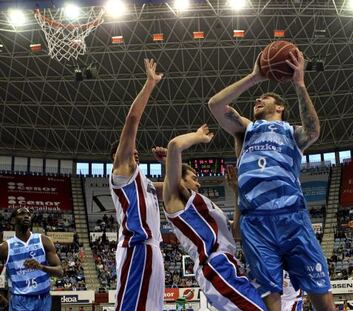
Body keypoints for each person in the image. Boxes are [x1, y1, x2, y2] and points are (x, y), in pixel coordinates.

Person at [208, 48, 334, 311]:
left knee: (322, 297)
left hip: (292, 218)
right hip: (257, 224)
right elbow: (215, 105)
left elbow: (313, 130)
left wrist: (299, 83)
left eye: (264, 97)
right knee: (270, 302)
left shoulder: (291, 132)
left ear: (279, 107)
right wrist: (255, 77)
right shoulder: (245, 130)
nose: (257, 98)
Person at [162, 124, 268, 311]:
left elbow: (235, 232)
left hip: (229, 262)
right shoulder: (178, 201)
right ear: (180, 179)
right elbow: (174, 146)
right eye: (194, 178)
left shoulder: (208, 207)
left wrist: (236, 191)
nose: (199, 183)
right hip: (215, 264)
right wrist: (198, 136)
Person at [109, 59, 164, 311]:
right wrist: (150, 84)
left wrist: (168, 162)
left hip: (154, 249)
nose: (135, 154)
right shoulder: (122, 173)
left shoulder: (145, 181)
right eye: (131, 152)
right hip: (136, 247)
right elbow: (132, 119)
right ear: (119, 157)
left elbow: (173, 188)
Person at [0, 207, 63, 311]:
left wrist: (41, 267)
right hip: (20, 301)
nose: (26, 216)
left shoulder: (44, 240)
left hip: (44, 299)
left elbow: (60, 272)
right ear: (12, 220)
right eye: (22, 213)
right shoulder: (5, 248)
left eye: (29, 214)